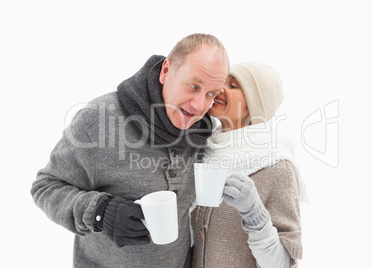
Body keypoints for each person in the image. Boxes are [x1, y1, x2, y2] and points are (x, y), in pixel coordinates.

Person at [31, 33, 229, 268]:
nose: (199, 106)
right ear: (166, 71)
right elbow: (46, 186)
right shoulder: (101, 119)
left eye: (211, 94)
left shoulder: (203, 133)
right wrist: (101, 212)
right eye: (193, 86)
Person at [191, 62, 306, 267]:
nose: (220, 90)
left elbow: (283, 264)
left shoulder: (277, 166)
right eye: (222, 82)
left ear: (254, 104)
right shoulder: (204, 150)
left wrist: (255, 214)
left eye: (233, 86)